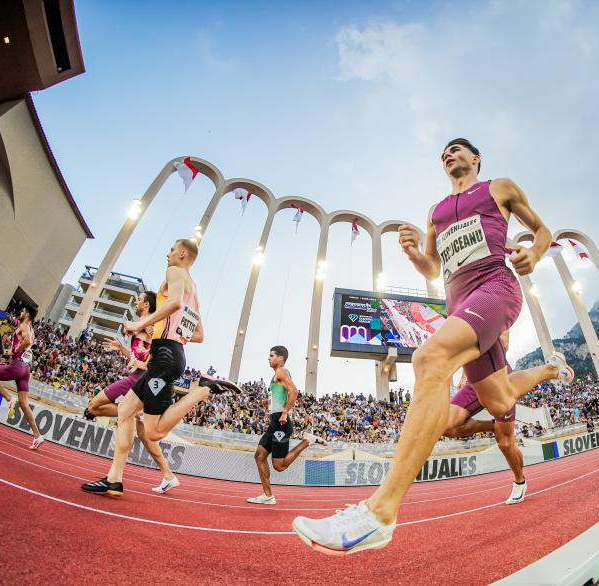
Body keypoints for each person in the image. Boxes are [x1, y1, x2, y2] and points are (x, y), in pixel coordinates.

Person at [293, 137, 573, 554]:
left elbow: (542, 228)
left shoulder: (500, 188)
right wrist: (412, 257)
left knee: (429, 357)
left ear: (476, 159)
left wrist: (535, 248)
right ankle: (552, 369)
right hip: (459, 302)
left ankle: (379, 513)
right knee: (499, 402)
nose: (449, 154)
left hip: (494, 287)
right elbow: (433, 267)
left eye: (458, 149)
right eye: (444, 152)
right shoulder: (435, 213)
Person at [81, 239, 241, 496]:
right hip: (169, 354)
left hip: (165, 356)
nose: (167, 254)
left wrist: (138, 325)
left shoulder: (176, 272)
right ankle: (114, 479)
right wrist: (167, 331)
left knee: (153, 432)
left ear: (183, 254)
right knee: (125, 411)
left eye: (171, 249)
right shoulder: (195, 290)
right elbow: (198, 335)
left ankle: (202, 390)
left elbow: (175, 303)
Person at [442, 330, 555, 505]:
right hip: (474, 381)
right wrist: (464, 375)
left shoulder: (491, 305)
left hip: (499, 379)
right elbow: (463, 347)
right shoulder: (454, 310)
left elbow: (504, 341)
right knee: (448, 426)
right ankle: (493, 426)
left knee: (504, 442)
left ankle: (520, 481)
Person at [83, 291, 180, 494]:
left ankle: (116, 477)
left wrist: (142, 360)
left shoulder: (151, 328)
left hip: (136, 381)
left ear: (146, 304)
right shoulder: (142, 328)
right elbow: (137, 359)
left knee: (93, 407)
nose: (136, 302)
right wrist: (122, 349)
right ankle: (168, 475)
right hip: (138, 379)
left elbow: (153, 363)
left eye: (139, 299)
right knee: (146, 437)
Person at [247, 346, 326, 505]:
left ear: (280, 358)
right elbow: (280, 395)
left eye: (272, 356)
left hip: (281, 424)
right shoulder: (276, 375)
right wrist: (267, 402)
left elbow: (294, 391)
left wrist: (284, 413)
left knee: (279, 466)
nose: (269, 358)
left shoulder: (281, 371)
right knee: (259, 456)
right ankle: (268, 495)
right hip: (274, 424)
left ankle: (307, 441)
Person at [0, 306, 44, 449]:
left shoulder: (23, 325)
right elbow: (28, 342)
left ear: (27, 315)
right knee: (24, 403)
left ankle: (9, 398)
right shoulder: (32, 329)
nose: (20, 312)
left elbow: (27, 342)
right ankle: (37, 436)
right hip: (25, 369)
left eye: (23, 311)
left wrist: (14, 351)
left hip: (17, 366)